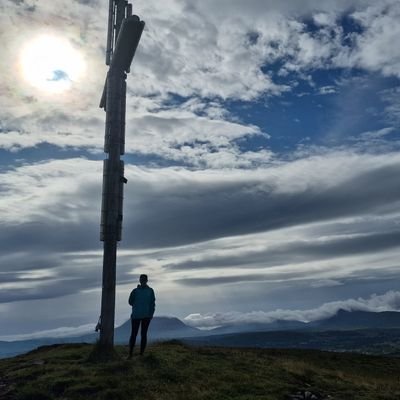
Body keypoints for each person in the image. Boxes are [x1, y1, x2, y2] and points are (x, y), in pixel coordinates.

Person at [128, 274, 156, 358]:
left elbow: (130, 302)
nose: (142, 281)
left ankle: (131, 354)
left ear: (145, 280)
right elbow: (152, 304)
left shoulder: (135, 291)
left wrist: (136, 305)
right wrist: (150, 314)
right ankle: (139, 354)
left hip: (138, 315)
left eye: (143, 279)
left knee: (135, 334)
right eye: (142, 279)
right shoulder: (150, 291)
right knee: (141, 334)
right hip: (144, 315)